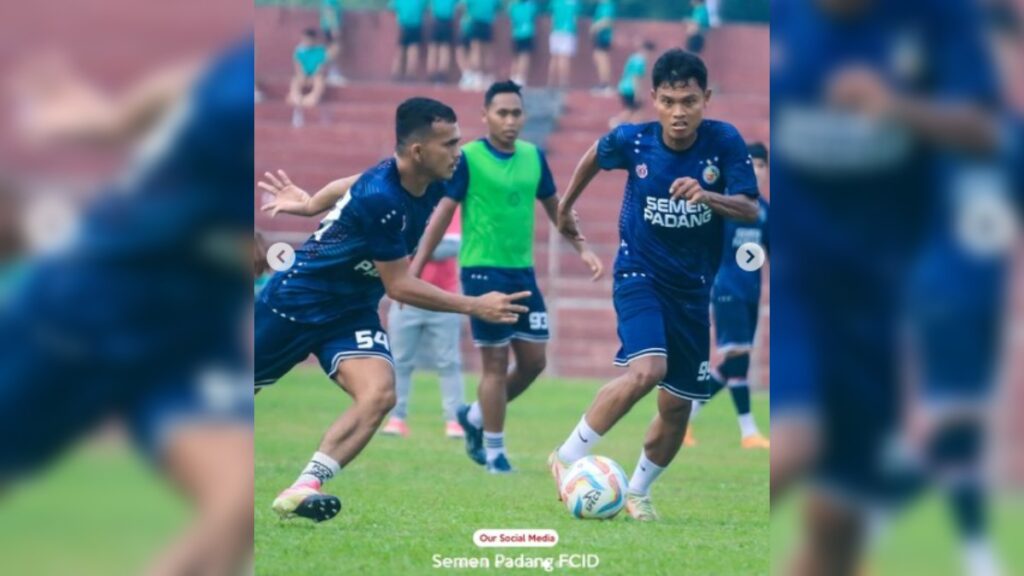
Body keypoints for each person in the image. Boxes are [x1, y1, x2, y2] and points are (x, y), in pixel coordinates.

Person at [1, 39, 255, 575]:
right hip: (87, 310)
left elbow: (187, 83)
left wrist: (113, 122)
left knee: (238, 502)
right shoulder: (235, 109)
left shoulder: (238, 79)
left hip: (187, 338)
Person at [254, 97, 530, 522]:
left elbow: (348, 182)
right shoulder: (381, 199)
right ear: (418, 151)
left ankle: (303, 487)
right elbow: (399, 286)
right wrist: (474, 305)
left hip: (349, 314)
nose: (459, 151)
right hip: (294, 303)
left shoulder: (430, 178)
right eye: (449, 143)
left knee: (380, 394)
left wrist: (310, 204)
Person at [548, 50, 760, 521]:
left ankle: (638, 490)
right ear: (654, 100)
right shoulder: (635, 141)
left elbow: (750, 207)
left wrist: (708, 195)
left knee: (679, 405)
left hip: (692, 290)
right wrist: (565, 207)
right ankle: (563, 459)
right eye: (668, 101)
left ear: (706, 98)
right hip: (638, 273)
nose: (678, 112)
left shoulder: (724, 142)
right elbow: (595, 155)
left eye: (688, 101)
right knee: (646, 370)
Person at [411, 80, 604, 473]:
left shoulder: (534, 156)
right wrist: (414, 270)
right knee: (495, 364)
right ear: (485, 116)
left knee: (534, 362)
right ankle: (495, 452)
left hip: (523, 273)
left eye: (516, 112)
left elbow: (557, 209)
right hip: (482, 271)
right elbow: (444, 213)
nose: (510, 120)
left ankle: (475, 416)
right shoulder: (467, 158)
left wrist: (582, 249)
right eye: (502, 113)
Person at [687, 141, 771, 449]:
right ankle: (748, 432)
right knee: (737, 358)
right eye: (751, 164)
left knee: (734, 365)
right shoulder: (723, 207)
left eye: (761, 166)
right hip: (725, 289)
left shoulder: (764, 212)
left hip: (751, 293)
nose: (756, 170)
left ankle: (685, 416)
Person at [381, 211, 466, 438]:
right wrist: (425, 243)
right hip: (406, 296)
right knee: (399, 360)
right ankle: (396, 418)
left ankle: (455, 420)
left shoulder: (450, 208)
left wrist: (413, 244)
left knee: (449, 361)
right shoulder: (403, 204)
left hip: (444, 298)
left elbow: (449, 248)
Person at [610, 39, 656, 128]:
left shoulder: (633, 57)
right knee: (634, 109)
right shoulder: (640, 61)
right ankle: (617, 122)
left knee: (634, 109)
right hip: (630, 89)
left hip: (624, 86)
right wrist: (638, 94)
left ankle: (627, 124)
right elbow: (636, 78)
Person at [288, 28, 329, 128]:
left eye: (308, 40)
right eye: (304, 40)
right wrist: (303, 75)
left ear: (314, 40)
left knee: (319, 80)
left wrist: (314, 75)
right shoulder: (299, 50)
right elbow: (297, 66)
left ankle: (313, 97)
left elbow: (321, 66)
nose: (306, 42)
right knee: (296, 80)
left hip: (315, 74)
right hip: (303, 75)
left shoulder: (320, 50)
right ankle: (295, 96)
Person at [463, 0, 501, 90]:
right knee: (487, 52)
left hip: (476, 22)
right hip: (488, 24)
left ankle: (477, 76)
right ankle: (487, 77)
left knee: (476, 50)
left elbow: (465, 6)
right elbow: (498, 8)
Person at [391, 0, 427, 81]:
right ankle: (410, 73)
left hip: (404, 26)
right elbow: (425, 8)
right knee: (413, 51)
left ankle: (396, 73)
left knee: (400, 51)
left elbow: (393, 8)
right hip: (416, 26)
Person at [547, 0, 580, 89]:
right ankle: (563, 83)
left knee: (554, 58)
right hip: (568, 31)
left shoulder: (556, 2)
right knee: (564, 58)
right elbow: (575, 18)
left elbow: (552, 17)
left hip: (556, 31)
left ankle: (550, 82)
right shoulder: (574, 2)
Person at [508, 0, 539, 87]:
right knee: (524, 56)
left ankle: (513, 76)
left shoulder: (514, 6)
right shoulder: (530, 6)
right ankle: (520, 78)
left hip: (516, 33)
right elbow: (534, 14)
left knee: (516, 56)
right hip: (527, 33)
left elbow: (511, 17)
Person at [427, 0, 459, 82]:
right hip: (447, 21)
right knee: (444, 48)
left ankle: (431, 72)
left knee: (433, 49)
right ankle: (442, 73)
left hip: (436, 20)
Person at [590, 0, 615, 94]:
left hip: (603, 35)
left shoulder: (607, 5)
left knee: (601, 58)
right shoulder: (601, 6)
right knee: (598, 58)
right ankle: (603, 83)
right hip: (599, 35)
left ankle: (605, 84)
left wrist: (594, 28)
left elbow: (607, 21)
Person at [320, 0, 348, 85]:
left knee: (334, 49)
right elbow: (329, 11)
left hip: (329, 27)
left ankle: (333, 72)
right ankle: (327, 70)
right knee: (335, 48)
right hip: (330, 27)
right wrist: (333, 27)